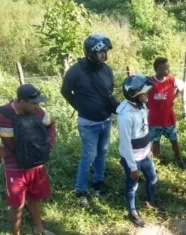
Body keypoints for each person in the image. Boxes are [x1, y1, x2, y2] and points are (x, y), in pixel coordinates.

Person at [61, 34, 117, 206]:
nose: (104, 55)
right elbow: (65, 91)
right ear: (91, 53)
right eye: (100, 52)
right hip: (88, 123)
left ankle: (98, 181)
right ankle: (80, 189)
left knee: (102, 153)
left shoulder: (106, 69)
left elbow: (109, 91)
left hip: (105, 120)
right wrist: (79, 107)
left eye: (106, 51)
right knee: (89, 156)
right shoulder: (76, 71)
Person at [0, 84, 56, 235]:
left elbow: (51, 124)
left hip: (36, 166)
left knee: (35, 199)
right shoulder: (2, 114)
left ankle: (39, 229)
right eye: (34, 102)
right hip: (14, 168)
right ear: (22, 101)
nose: (37, 105)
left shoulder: (38, 112)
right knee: (17, 205)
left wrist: (50, 143)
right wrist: (1, 152)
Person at [117, 74, 164, 228]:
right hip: (133, 159)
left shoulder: (142, 106)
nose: (147, 95)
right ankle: (132, 211)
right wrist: (132, 167)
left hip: (145, 154)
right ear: (134, 96)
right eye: (144, 93)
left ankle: (149, 201)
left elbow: (144, 130)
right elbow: (125, 144)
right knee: (132, 185)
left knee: (153, 178)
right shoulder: (125, 117)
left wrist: (149, 149)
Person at [147, 57, 186, 169]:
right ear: (157, 69)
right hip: (154, 120)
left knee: (174, 141)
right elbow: (141, 93)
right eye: (165, 69)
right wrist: (146, 104)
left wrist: (174, 98)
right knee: (155, 142)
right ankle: (151, 165)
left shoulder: (171, 80)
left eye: (168, 68)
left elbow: (182, 86)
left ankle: (179, 159)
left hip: (168, 119)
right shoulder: (150, 82)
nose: (167, 71)